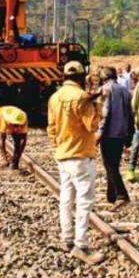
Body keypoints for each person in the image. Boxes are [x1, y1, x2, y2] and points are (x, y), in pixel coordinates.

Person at [47, 60, 105, 265]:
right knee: (84, 201)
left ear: (64, 77)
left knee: (66, 198)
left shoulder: (54, 98)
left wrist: (59, 146)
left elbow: (51, 128)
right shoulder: (82, 97)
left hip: (63, 156)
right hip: (81, 155)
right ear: (81, 77)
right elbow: (92, 126)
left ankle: (67, 238)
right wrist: (97, 105)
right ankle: (81, 245)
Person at [97, 67, 132, 207]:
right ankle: (111, 195)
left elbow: (104, 114)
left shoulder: (105, 89)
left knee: (109, 165)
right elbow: (131, 114)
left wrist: (99, 133)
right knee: (114, 164)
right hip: (121, 132)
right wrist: (130, 134)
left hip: (109, 133)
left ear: (104, 77)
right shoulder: (124, 90)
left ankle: (122, 194)